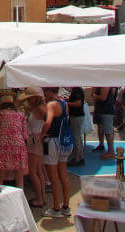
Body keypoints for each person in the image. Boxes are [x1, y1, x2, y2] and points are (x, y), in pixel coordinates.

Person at [40, 87, 72, 219]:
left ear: (48, 91)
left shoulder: (51, 104)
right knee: (63, 174)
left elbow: (48, 122)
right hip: (64, 141)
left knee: (53, 177)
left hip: (51, 141)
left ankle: (56, 208)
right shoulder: (64, 103)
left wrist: (42, 134)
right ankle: (66, 206)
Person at [0, 94, 29, 186]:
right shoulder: (21, 114)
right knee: (19, 177)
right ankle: (20, 198)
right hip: (19, 145)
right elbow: (25, 134)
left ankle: (0, 197)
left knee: (1, 175)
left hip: (4, 145)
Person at [19, 88, 47, 208]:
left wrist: (41, 134)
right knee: (38, 171)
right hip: (37, 141)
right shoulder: (38, 107)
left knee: (33, 171)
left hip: (35, 141)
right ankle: (42, 197)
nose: (28, 100)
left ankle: (40, 199)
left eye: (29, 98)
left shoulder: (40, 108)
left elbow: (48, 121)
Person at [93, 87, 117, 158]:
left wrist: (95, 95)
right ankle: (105, 147)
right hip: (102, 110)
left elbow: (103, 97)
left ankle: (111, 152)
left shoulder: (106, 85)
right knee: (104, 130)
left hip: (107, 111)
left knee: (108, 132)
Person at [66, 86, 86, 166]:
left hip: (76, 116)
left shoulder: (77, 90)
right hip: (77, 116)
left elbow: (78, 103)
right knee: (78, 137)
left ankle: (77, 157)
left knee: (76, 137)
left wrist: (66, 103)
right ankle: (80, 156)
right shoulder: (77, 89)